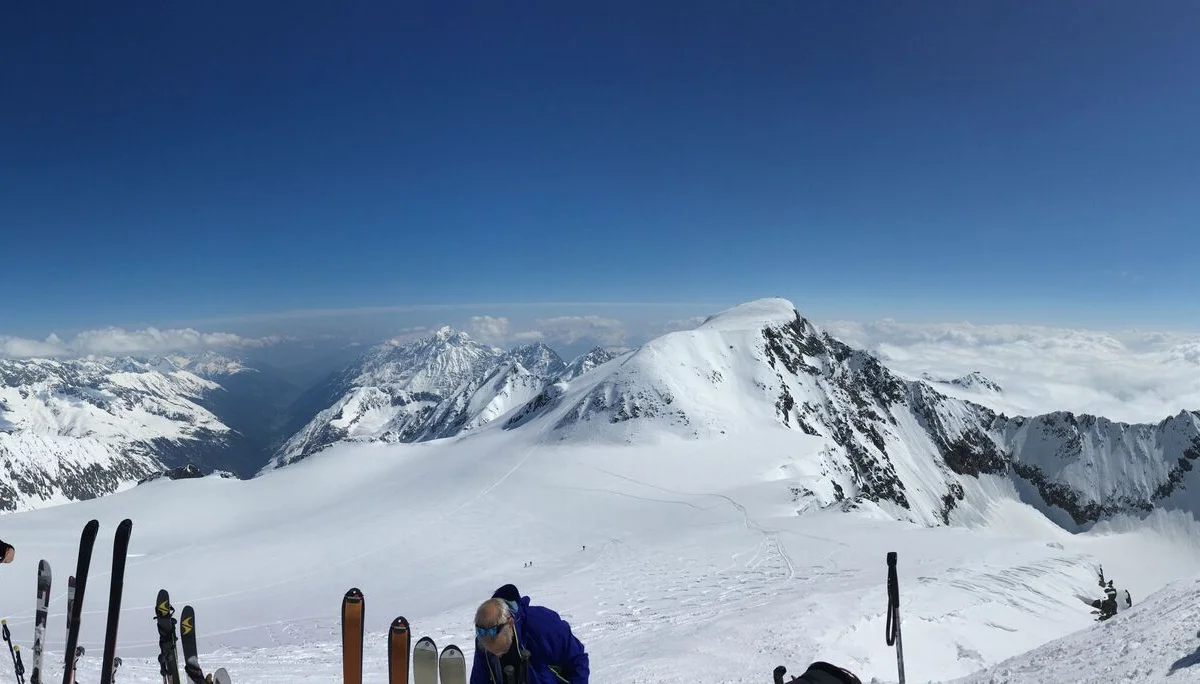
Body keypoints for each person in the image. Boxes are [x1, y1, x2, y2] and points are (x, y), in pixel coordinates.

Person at [470, 583, 588, 684]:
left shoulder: (542, 624)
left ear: (510, 623)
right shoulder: (483, 639)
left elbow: (577, 659)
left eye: (502, 651)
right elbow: (480, 678)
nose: (498, 656)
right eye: (494, 653)